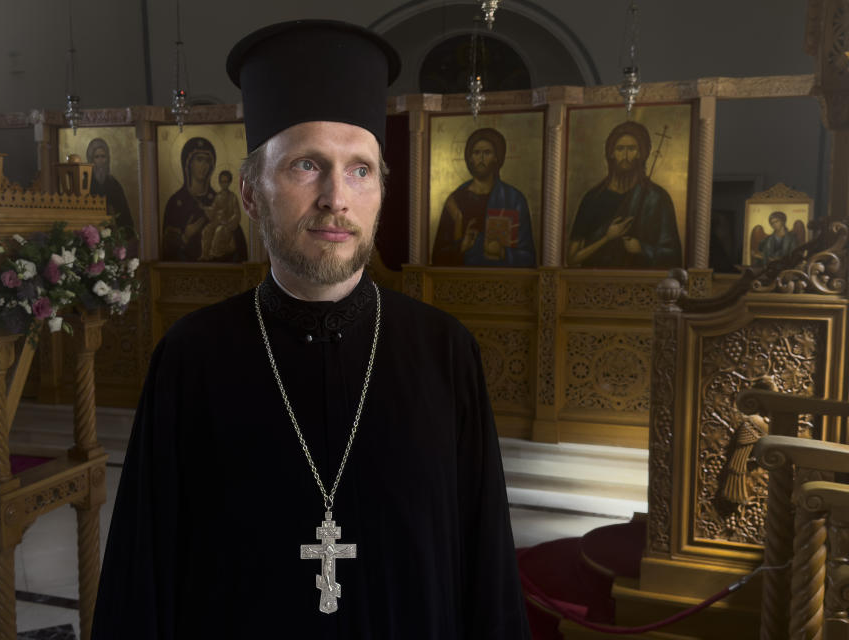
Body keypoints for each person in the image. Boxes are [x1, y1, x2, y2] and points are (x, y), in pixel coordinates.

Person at [93, 20, 530, 640]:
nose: (335, 198)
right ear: (249, 192)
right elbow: (145, 577)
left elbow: (486, 567)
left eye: (360, 170)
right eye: (306, 165)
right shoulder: (191, 359)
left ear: (382, 189)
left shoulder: (444, 352)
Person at [566, 120, 682, 268]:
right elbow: (571, 258)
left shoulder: (657, 198)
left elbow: (673, 256)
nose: (625, 156)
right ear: (611, 153)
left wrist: (642, 248)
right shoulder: (592, 198)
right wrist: (606, 238)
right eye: (620, 149)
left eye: (632, 149)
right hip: (596, 282)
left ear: (641, 153)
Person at [431, 128, 535, 266]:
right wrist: (461, 247)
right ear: (470, 158)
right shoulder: (455, 201)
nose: (481, 158)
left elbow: (529, 258)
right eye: (476, 152)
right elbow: (437, 257)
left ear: (497, 157)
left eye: (487, 152)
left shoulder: (514, 199)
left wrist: (502, 252)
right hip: (460, 280)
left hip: (504, 282)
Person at [161, 137, 217, 261]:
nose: (204, 166)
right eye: (199, 159)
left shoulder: (218, 200)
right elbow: (167, 249)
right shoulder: (175, 202)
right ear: (188, 163)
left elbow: (236, 238)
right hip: (180, 272)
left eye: (207, 161)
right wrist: (185, 236)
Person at [87, 138, 134, 235]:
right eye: (96, 157)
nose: (100, 161)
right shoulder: (85, 183)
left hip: (113, 233)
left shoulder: (114, 184)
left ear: (107, 158)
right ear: (91, 159)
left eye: (103, 157)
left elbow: (124, 214)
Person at [199, 169, 248, 262]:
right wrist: (206, 208)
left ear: (229, 182)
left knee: (219, 231)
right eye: (221, 182)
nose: (223, 184)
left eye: (225, 182)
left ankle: (213, 254)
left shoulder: (232, 197)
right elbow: (213, 209)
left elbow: (236, 214)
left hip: (226, 224)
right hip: (217, 222)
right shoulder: (218, 196)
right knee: (206, 230)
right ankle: (205, 254)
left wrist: (228, 222)